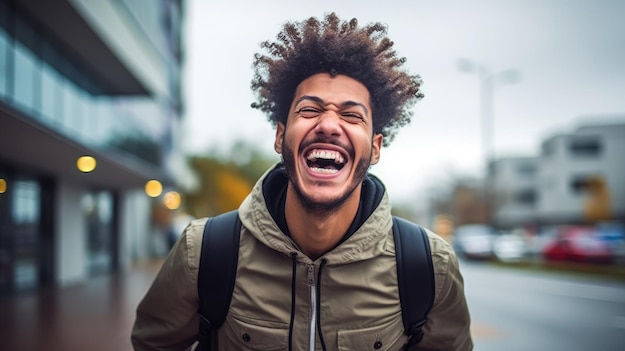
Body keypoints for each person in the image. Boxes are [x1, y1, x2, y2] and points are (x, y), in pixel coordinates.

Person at [132, 13, 473, 351]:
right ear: (281, 136)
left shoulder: (429, 265)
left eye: (351, 115)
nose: (328, 124)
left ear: (375, 147)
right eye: (309, 110)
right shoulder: (202, 251)